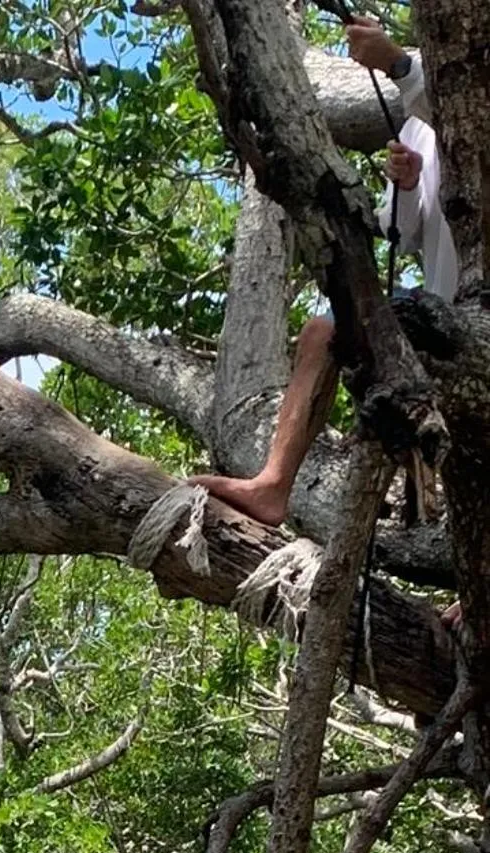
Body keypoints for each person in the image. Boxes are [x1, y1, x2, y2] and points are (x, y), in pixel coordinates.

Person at [195, 16, 458, 528]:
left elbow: (456, 107)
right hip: (442, 312)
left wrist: (398, 63)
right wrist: (406, 186)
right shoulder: (415, 120)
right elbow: (404, 235)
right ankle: (272, 484)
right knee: (323, 331)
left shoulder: (438, 84)